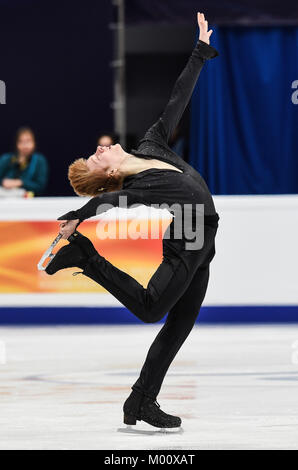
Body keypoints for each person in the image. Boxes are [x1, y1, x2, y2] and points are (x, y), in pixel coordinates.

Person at [46, 12, 219, 429]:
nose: (100, 149)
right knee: (150, 309)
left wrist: (199, 51)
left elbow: (177, 100)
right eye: (95, 157)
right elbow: (114, 202)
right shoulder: (137, 185)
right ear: (106, 173)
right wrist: (78, 217)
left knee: (178, 325)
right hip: (191, 235)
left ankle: (140, 401)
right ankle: (86, 258)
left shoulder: (152, 144)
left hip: (204, 234)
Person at [0, 127, 49, 196]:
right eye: (21, 141)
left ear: (34, 142)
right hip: (6, 197)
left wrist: (20, 182)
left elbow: (40, 186)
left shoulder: (39, 160)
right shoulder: (6, 159)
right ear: (17, 143)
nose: (25, 145)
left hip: (29, 200)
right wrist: (4, 182)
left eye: (28, 141)